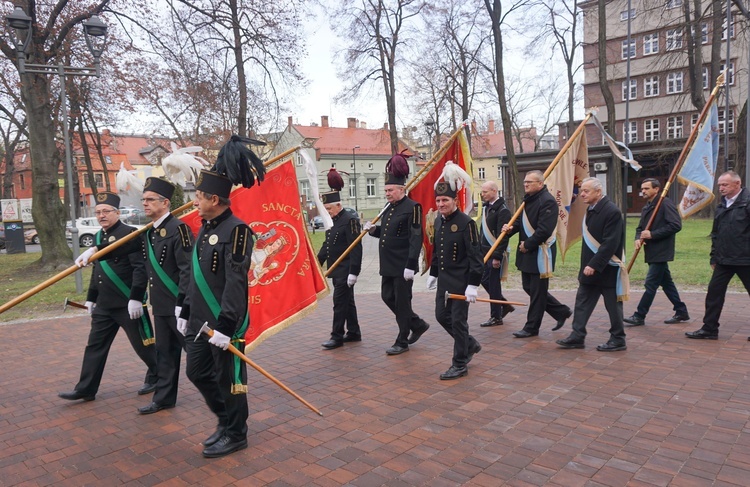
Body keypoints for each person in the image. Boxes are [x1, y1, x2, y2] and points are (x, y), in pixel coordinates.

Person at [178, 169, 253, 458]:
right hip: (198, 320)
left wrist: (226, 325)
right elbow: (197, 278)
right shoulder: (206, 227)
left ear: (214, 198)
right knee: (196, 371)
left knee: (229, 380)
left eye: (198, 197)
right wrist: (185, 308)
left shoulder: (237, 231)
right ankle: (225, 419)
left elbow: (236, 283)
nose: (194, 202)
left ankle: (236, 434)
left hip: (224, 322)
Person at [58, 192, 157, 402]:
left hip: (127, 303)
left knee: (143, 345)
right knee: (95, 346)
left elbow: (140, 269)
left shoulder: (130, 234)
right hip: (104, 305)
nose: (101, 215)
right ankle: (85, 388)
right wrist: (91, 298)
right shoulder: (97, 237)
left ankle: (159, 375)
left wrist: (136, 298)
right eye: (98, 212)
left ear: (117, 213)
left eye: (106, 211)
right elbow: (98, 271)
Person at [137, 177, 193, 415]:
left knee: (198, 357)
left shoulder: (179, 229)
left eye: (150, 200)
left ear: (165, 202)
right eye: (144, 200)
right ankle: (163, 398)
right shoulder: (150, 233)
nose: (145, 204)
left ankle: (222, 397)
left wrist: (183, 303)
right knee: (165, 356)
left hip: (178, 308)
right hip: (160, 306)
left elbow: (187, 270)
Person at [364, 151, 429, 355]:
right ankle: (417, 324)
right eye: (385, 190)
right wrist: (374, 230)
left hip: (403, 264)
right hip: (388, 264)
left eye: (390, 190)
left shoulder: (413, 207)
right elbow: (388, 233)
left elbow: (415, 237)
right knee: (387, 296)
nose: (387, 193)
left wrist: (411, 264)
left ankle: (402, 340)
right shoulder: (388, 207)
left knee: (402, 302)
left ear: (402, 189)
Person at [556, 177, 627, 351]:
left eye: (586, 191)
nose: (582, 194)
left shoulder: (612, 211)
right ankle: (577, 336)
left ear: (598, 192)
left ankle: (618, 339)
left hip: (607, 268)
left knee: (613, 306)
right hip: (590, 269)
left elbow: (610, 243)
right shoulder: (592, 209)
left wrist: (594, 265)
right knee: (582, 302)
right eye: (582, 191)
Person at [427, 163, 483, 380]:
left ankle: (459, 363)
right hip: (444, 281)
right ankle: (470, 344)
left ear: (455, 201)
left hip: (461, 282)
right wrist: (433, 273)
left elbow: (475, 257)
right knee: (441, 316)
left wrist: (473, 285)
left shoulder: (466, 223)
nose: (441, 204)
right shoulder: (440, 220)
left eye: (445, 201)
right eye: (438, 201)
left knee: (458, 322)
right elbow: (437, 249)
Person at [502, 170, 571, 338]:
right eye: (525, 181)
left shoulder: (547, 202)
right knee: (529, 288)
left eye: (529, 182)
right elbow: (521, 221)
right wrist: (510, 229)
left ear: (540, 184)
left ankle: (531, 327)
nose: (525, 184)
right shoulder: (528, 200)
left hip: (540, 252)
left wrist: (528, 244)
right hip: (527, 252)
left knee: (537, 292)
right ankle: (561, 311)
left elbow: (544, 230)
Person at [686, 171, 750, 340]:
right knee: (714, 293)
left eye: (725, 185)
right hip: (724, 259)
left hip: (746, 259)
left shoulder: (747, 201)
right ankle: (709, 329)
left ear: (737, 184)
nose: (721, 188)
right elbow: (716, 233)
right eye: (720, 185)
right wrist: (714, 256)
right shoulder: (722, 205)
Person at [624, 178, 689, 327]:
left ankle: (639, 315)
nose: (643, 191)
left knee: (650, 284)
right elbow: (640, 228)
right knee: (667, 283)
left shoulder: (664, 204)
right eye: (642, 188)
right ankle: (681, 311)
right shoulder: (647, 206)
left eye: (647, 188)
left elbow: (675, 225)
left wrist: (652, 234)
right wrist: (638, 238)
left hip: (662, 250)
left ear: (657, 189)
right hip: (651, 251)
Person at [318, 178, 363, 350]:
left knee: (339, 302)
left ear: (338, 205)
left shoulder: (350, 220)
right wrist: (318, 261)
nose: (327, 211)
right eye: (326, 209)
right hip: (336, 269)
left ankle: (336, 336)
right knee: (348, 302)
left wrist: (354, 272)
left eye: (329, 208)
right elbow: (327, 244)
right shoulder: (332, 221)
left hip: (346, 270)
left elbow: (356, 247)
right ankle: (353, 331)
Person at [478, 181, 512, 327]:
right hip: (484, 251)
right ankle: (504, 305)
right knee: (484, 280)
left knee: (493, 284)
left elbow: (502, 236)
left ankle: (496, 316)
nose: (482, 194)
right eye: (482, 192)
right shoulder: (487, 208)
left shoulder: (502, 210)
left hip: (494, 253)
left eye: (485, 192)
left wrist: (497, 256)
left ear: (494, 191)